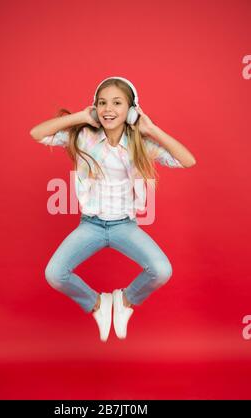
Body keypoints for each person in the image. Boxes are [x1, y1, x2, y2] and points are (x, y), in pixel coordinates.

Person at [29, 76, 197, 342]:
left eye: (117, 103)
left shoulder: (140, 143)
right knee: (55, 273)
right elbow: (37, 134)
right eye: (102, 103)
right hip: (91, 225)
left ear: (131, 111)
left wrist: (151, 129)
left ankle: (124, 300)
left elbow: (187, 160)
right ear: (95, 108)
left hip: (124, 226)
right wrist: (80, 117)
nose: (109, 109)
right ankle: (98, 305)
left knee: (161, 270)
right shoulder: (84, 136)